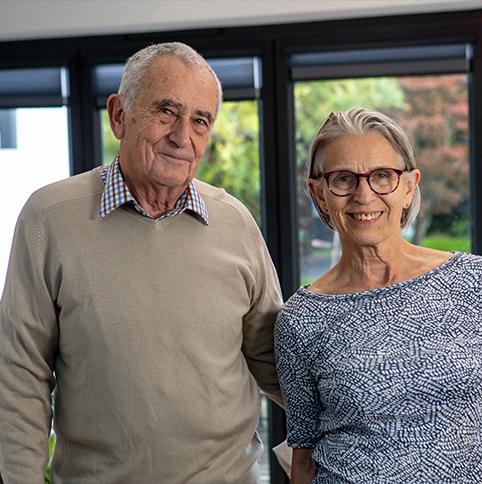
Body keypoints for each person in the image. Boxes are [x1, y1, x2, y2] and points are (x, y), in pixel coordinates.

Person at [0, 42, 283, 482]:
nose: (182, 136)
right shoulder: (48, 218)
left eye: (200, 120)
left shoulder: (235, 223)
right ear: (118, 116)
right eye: (166, 112)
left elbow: (275, 360)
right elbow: (19, 375)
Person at [275, 107, 482, 483]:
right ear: (319, 193)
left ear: (409, 186)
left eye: (383, 176)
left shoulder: (474, 281)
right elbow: (305, 455)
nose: (364, 195)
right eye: (344, 179)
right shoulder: (299, 320)